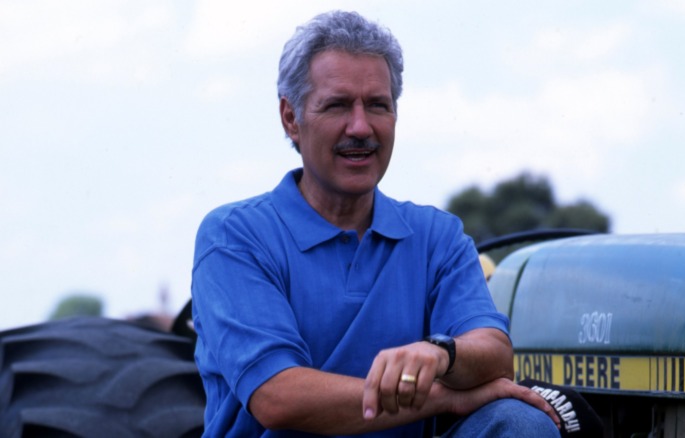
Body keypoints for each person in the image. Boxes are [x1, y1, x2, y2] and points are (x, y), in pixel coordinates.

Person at [191, 10, 561, 437]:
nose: (361, 127)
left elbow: (495, 353)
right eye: (337, 105)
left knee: (519, 422)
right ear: (291, 118)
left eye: (378, 105)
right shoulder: (235, 237)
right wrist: (448, 397)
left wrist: (441, 354)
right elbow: (278, 396)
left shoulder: (436, 236)